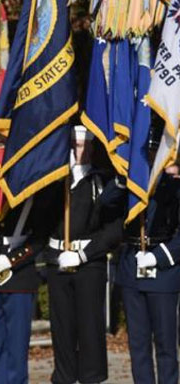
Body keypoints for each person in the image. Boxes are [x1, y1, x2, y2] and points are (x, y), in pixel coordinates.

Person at [45, 126, 125, 384]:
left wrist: (84, 254)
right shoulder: (55, 182)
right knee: (62, 329)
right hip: (58, 261)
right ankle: (64, 377)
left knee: (90, 329)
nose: (79, 150)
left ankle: (91, 378)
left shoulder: (101, 183)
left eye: (83, 145)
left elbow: (114, 228)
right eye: (74, 144)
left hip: (88, 265)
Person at [116, 128, 180, 384]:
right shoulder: (129, 184)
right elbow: (107, 208)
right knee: (138, 345)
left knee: (165, 345)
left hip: (162, 271)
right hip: (132, 266)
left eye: (154, 151)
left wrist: (160, 257)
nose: (150, 157)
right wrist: (121, 179)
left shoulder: (173, 188)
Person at [0, 169, 51, 384]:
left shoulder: (30, 188)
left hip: (19, 275)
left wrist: (12, 260)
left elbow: (39, 237)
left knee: (17, 345)